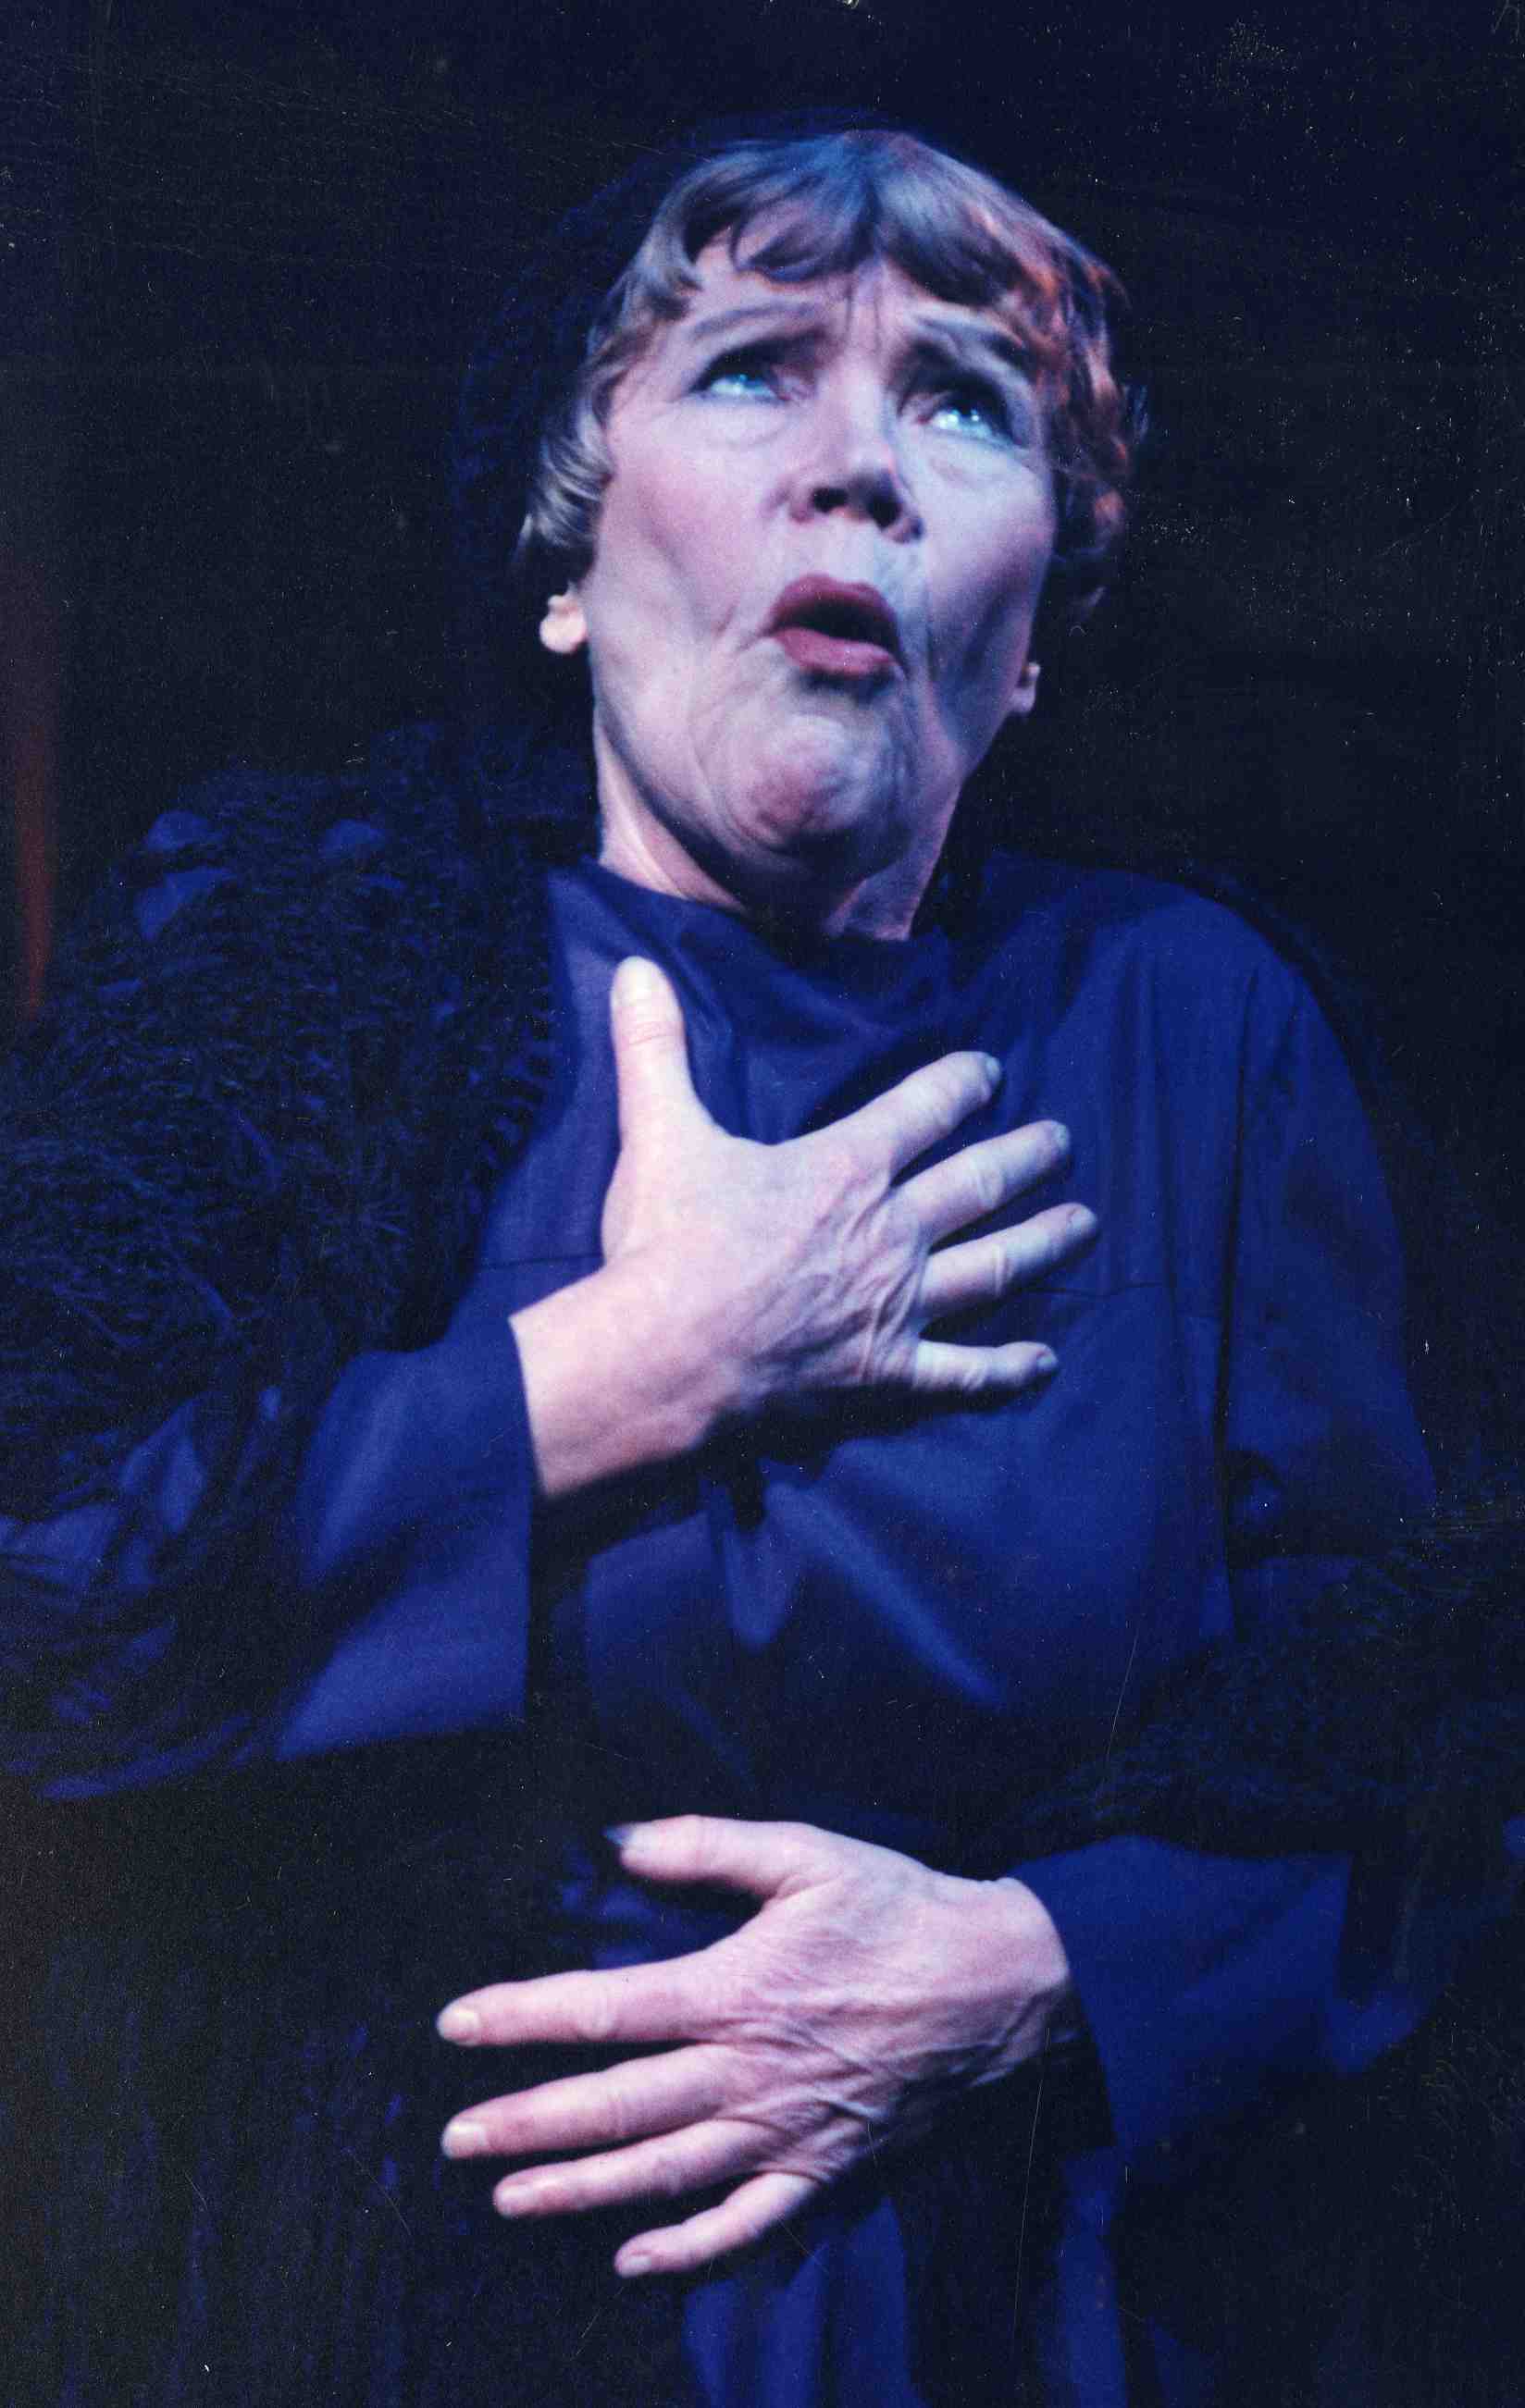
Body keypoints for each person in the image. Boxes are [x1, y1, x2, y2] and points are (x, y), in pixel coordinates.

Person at [0, 122, 1513, 2408]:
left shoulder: (1191, 1035)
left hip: (999, 2330)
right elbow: (45, 1598)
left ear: (1030, 637)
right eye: (749, 369)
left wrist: (1047, 1967)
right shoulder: (306, 976)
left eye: (963, 402)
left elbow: (1436, 1767)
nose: (858, 467)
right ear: (566, 551)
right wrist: (631, 1367)